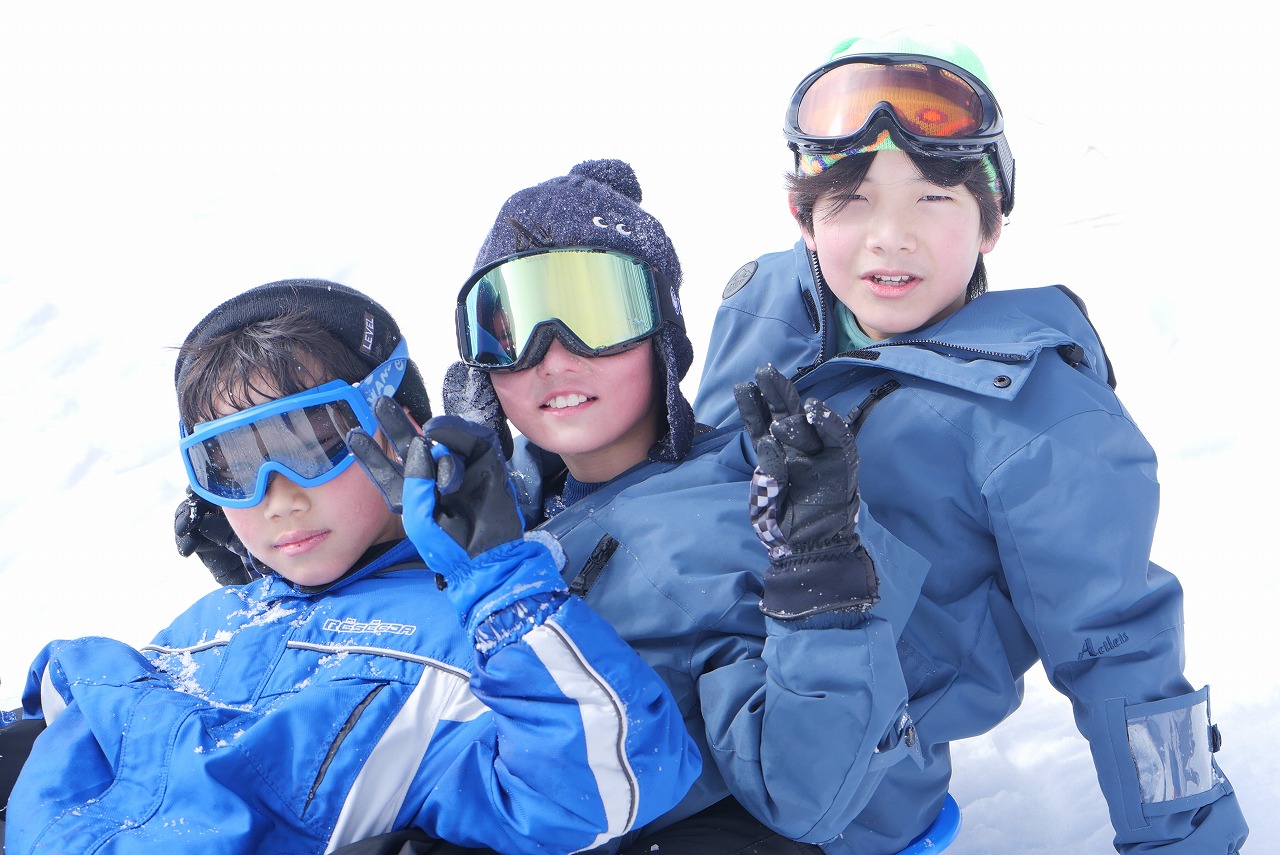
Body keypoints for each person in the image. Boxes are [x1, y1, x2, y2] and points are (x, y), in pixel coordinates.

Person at [692, 31, 1249, 853]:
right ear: (803, 216)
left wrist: (1187, 836)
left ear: (991, 221)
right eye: (852, 199)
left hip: (843, 787)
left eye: (932, 198)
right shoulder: (764, 307)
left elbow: (1121, 649)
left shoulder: (1045, 424)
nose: (890, 236)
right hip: (674, 690)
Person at [3, 279, 700, 854]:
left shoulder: (470, 645)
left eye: (310, 442)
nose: (277, 496)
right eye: (232, 466)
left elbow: (607, 786)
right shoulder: (212, 621)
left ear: (403, 432)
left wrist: (502, 589)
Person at [439, 159, 932, 854]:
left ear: (662, 338)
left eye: (595, 315)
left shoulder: (744, 515)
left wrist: (818, 577)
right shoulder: (484, 511)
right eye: (510, 329)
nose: (553, 357)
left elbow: (803, 795)